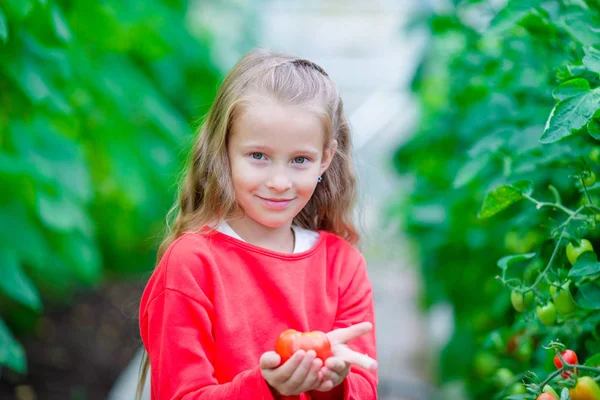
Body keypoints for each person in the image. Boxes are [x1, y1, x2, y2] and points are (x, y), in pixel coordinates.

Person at [137, 48, 378, 399]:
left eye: (300, 159)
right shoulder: (191, 264)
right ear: (224, 150)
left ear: (325, 158)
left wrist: (332, 382)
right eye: (258, 156)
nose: (279, 181)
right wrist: (266, 388)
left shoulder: (343, 266)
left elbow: (364, 386)